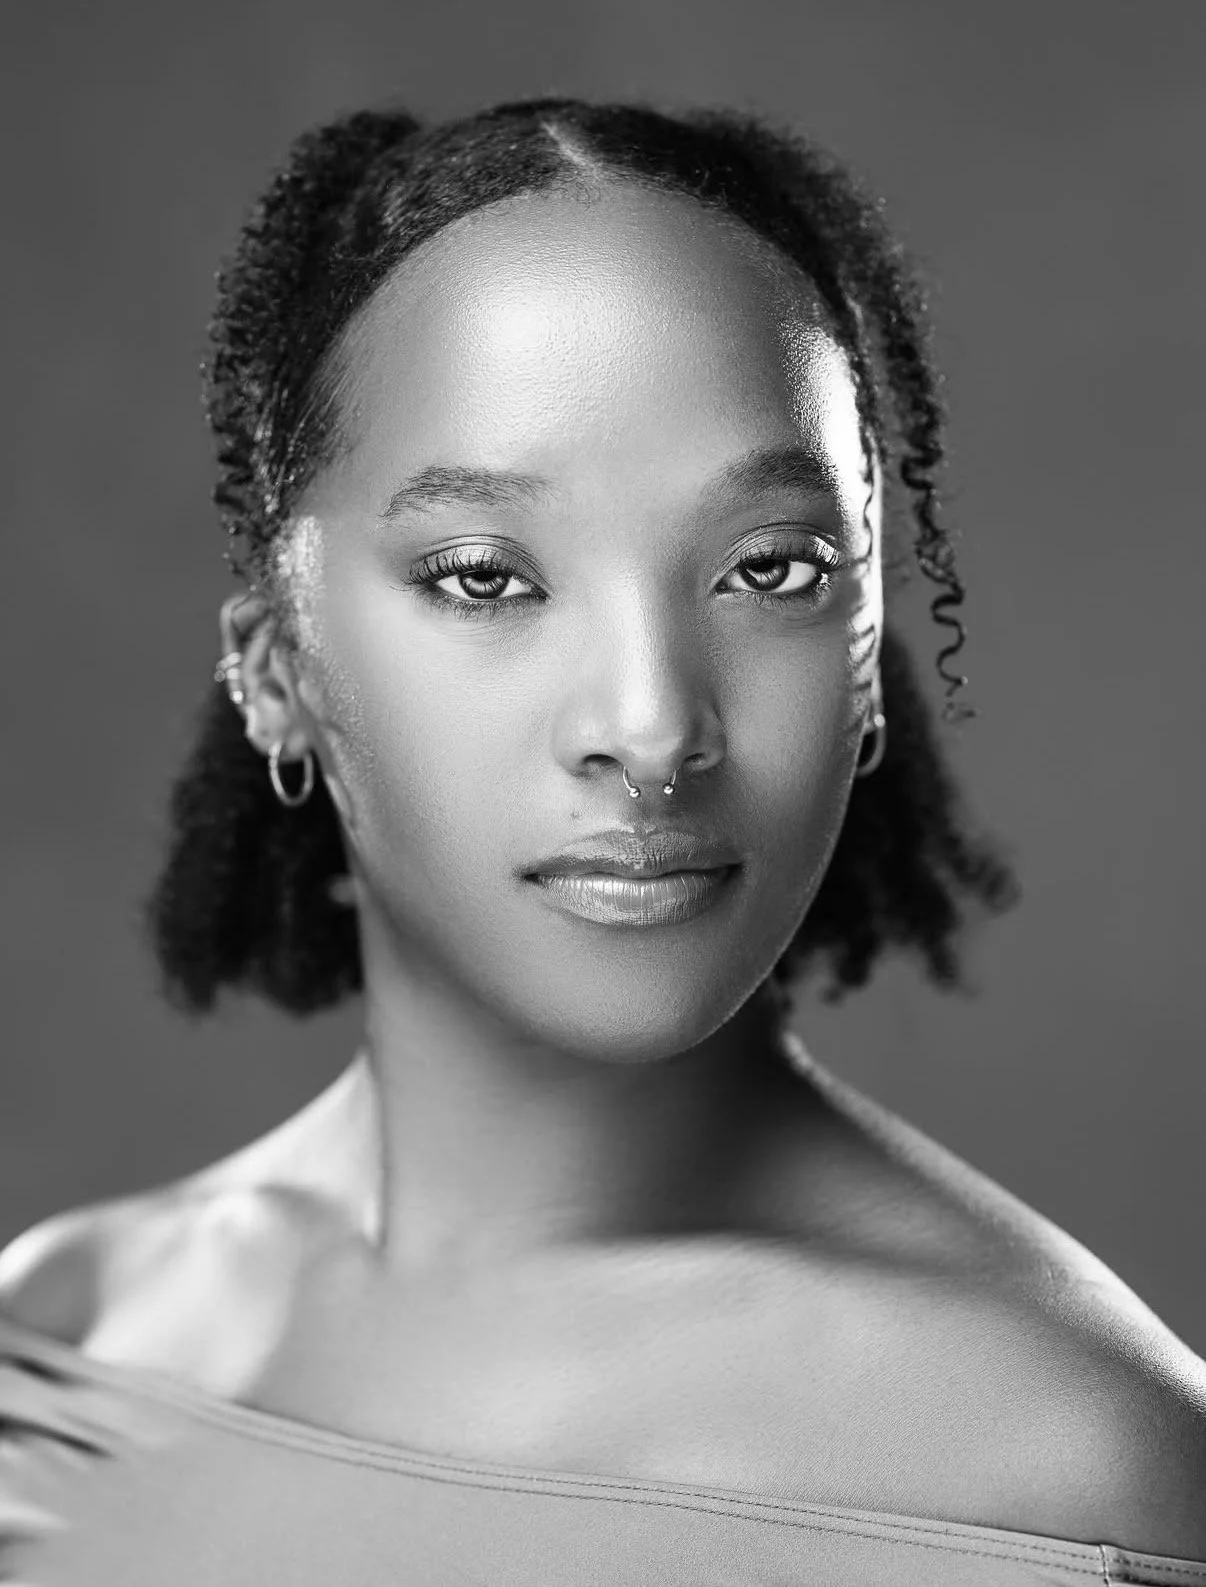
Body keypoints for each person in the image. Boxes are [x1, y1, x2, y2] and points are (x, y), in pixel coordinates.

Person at [1, 97, 1203, 1586]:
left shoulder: (1076, 1472)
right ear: (275, 673)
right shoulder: (65, 1341)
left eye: (769, 570)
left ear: (866, 653)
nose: (649, 725)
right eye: (484, 577)